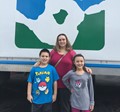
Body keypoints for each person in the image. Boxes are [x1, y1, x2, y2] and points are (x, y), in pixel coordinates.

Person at [34, 33, 92, 112]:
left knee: (65, 105)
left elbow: (78, 62)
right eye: (60, 40)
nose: (62, 41)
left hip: (66, 83)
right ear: (57, 41)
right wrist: (37, 63)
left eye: (63, 39)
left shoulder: (71, 53)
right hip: (53, 82)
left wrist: (86, 68)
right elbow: (45, 60)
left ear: (66, 41)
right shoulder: (53, 52)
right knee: (54, 104)